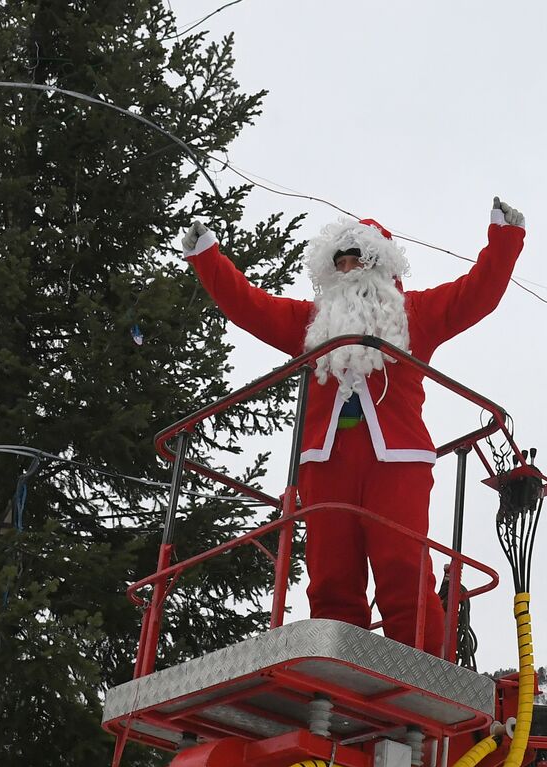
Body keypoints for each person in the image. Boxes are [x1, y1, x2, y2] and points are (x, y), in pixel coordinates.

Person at [181, 197, 526, 656]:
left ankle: (424, 676)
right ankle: (336, 670)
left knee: (404, 572)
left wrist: (503, 241)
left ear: (380, 266)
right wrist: (207, 257)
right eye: (339, 262)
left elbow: (476, 293)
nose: (348, 269)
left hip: (398, 463)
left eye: (357, 260)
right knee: (331, 577)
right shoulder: (310, 323)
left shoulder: (414, 314)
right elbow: (250, 306)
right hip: (324, 463)